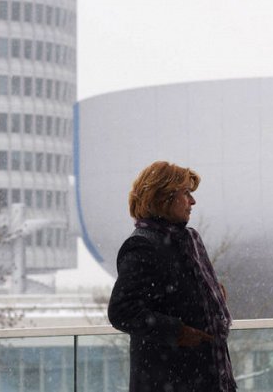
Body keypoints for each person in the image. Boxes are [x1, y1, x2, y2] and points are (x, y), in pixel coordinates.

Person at [107, 161, 236, 392]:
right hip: (171, 379)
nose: (193, 201)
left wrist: (208, 298)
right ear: (163, 197)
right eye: (186, 193)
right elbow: (122, 310)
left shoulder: (189, 240)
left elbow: (176, 296)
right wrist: (177, 332)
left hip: (206, 378)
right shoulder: (142, 245)